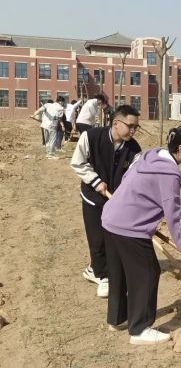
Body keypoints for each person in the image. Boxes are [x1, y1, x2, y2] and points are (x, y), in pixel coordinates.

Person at [101, 126, 181, 345]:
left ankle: (117, 319)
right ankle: (139, 330)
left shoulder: (151, 155)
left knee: (119, 272)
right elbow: (174, 216)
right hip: (130, 226)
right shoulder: (170, 174)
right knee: (147, 273)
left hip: (111, 217)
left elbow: (127, 179)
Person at [70, 105, 142, 298]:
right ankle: (102, 276)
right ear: (116, 123)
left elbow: (133, 176)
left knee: (114, 237)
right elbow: (78, 162)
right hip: (93, 198)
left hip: (116, 201)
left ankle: (96, 268)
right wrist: (95, 181)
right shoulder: (91, 137)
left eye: (136, 127)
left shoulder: (134, 149)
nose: (133, 131)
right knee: (97, 238)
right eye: (131, 126)